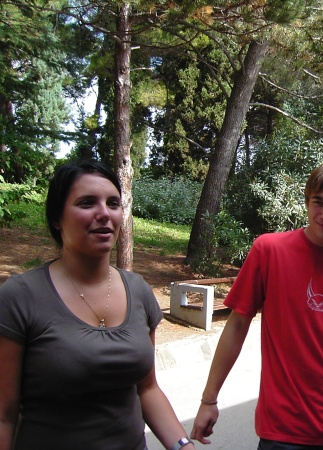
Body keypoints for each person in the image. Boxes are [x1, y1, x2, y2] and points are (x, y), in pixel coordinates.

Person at [190, 161, 323, 450]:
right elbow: (237, 325)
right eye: (318, 202)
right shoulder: (269, 251)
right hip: (283, 429)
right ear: (307, 201)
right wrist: (209, 399)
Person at [0, 161, 195, 450]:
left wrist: (183, 445)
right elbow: (4, 414)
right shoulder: (20, 296)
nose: (104, 213)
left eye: (113, 203)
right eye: (87, 203)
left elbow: (148, 389)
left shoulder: (139, 291)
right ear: (57, 218)